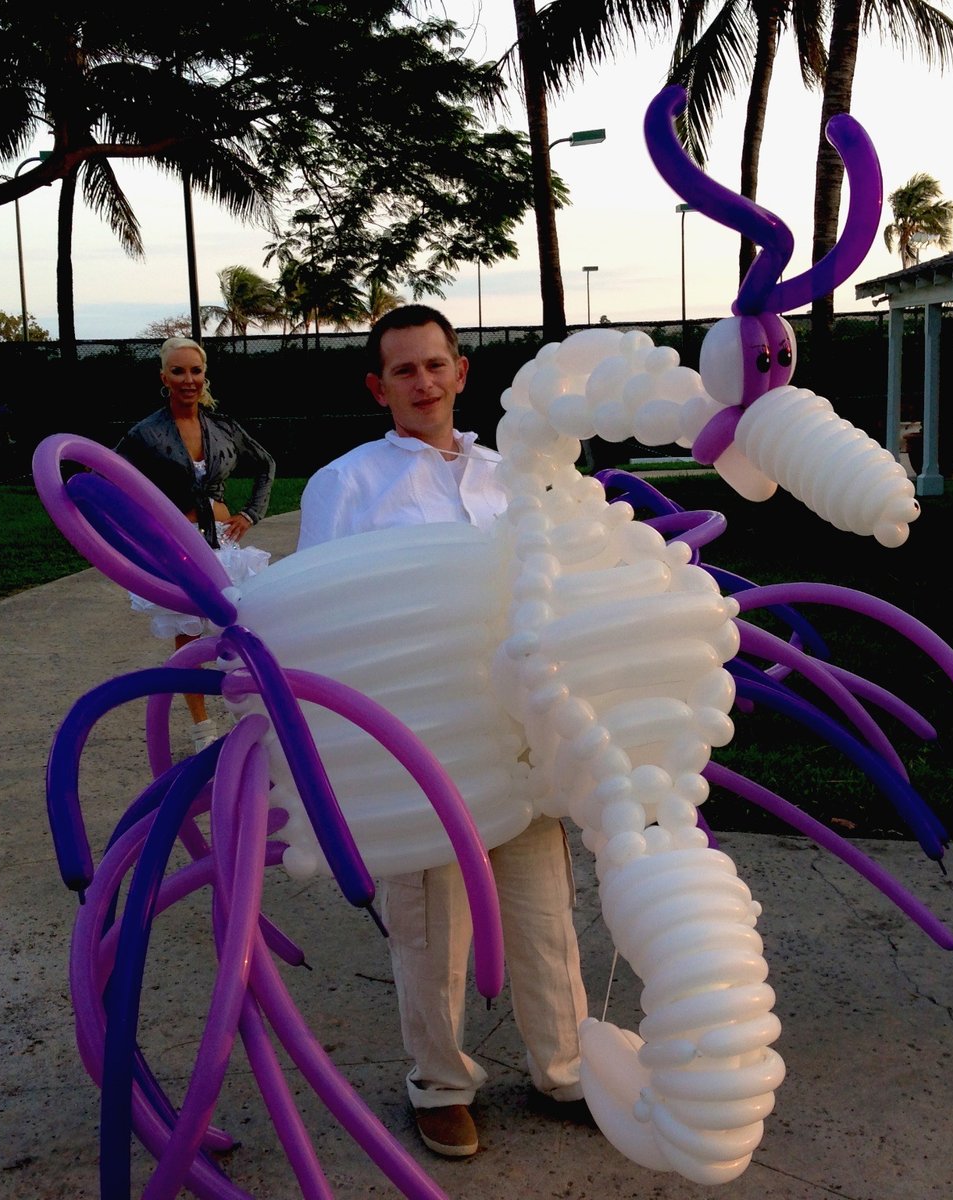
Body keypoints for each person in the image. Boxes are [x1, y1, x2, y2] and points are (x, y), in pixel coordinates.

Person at [297, 305, 588, 1159]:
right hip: (413, 750)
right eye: (403, 371)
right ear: (376, 386)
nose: (422, 383)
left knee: (543, 918)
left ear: (462, 372)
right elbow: (318, 619)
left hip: (518, 739)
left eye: (435, 365)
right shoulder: (346, 486)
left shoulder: (514, 475)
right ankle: (440, 1082)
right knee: (431, 932)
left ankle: (565, 1068)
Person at [116, 337, 275, 748]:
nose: (188, 380)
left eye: (195, 371)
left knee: (242, 625)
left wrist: (250, 513)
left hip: (224, 542)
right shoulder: (145, 433)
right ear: (164, 377)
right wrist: (146, 529)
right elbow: (110, 478)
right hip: (179, 545)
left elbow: (266, 465)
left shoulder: (223, 427)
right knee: (189, 637)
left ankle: (253, 715)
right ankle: (203, 729)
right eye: (178, 371)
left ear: (205, 376)